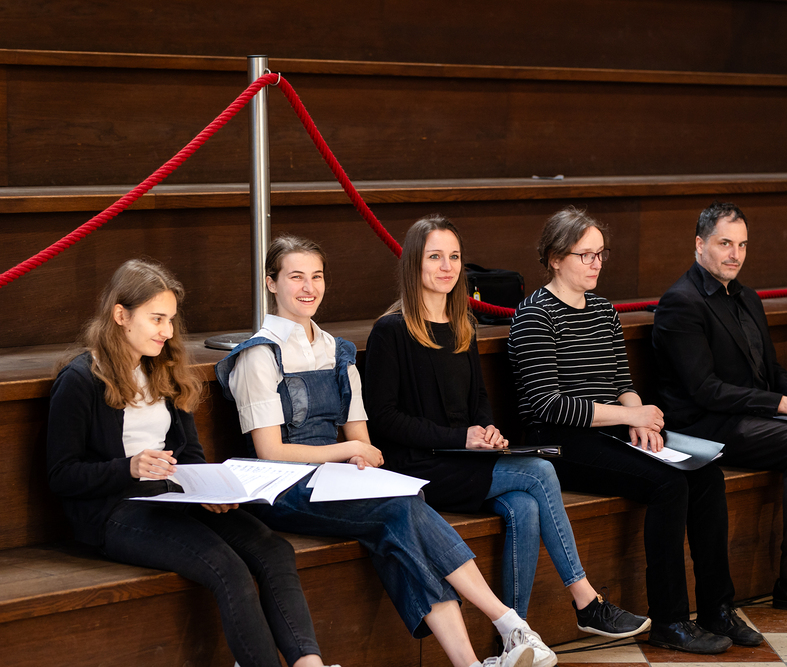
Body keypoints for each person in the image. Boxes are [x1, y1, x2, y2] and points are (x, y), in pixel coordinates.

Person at [214, 235, 548, 667]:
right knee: (399, 511)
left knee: (401, 515)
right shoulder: (258, 356)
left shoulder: (336, 351)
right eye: (296, 277)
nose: (309, 288)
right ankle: (506, 622)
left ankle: (473, 660)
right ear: (271, 283)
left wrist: (358, 453)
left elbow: (363, 442)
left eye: (317, 276)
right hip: (282, 487)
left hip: (332, 478)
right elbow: (271, 452)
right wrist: (349, 449)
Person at [364, 214, 651, 641]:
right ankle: (585, 600)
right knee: (540, 470)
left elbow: (479, 400)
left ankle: (515, 635)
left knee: (525, 506)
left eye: (454, 257)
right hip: (418, 466)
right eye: (435, 257)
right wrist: (461, 437)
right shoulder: (390, 330)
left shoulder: (462, 324)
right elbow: (385, 420)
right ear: (413, 264)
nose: (447, 266)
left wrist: (488, 430)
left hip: (462, 458)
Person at [46, 259, 337, 667]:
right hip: (117, 510)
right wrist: (128, 468)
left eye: (170, 320)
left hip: (174, 497)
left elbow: (190, 455)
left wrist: (209, 490)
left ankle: (309, 663)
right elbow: (61, 475)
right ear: (120, 315)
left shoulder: (162, 367)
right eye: (157, 319)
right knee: (227, 568)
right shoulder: (80, 380)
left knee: (274, 550)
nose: (167, 331)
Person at [508, 206, 758, 655]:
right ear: (555, 258)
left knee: (706, 475)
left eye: (600, 254)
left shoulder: (603, 310)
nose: (596, 264)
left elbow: (622, 383)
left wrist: (641, 418)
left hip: (611, 431)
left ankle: (717, 607)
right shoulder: (534, 315)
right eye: (585, 255)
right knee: (668, 485)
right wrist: (629, 418)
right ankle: (670, 620)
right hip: (558, 444)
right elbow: (549, 405)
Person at [652, 201, 787, 615]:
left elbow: (771, 370)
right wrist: (785, 404)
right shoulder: (680, 302)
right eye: (725, 243)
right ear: (699, 244)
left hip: (755, 415)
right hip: (706, 425)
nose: (735, 254)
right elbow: (705, 390)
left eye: (742, 245)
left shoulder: (748, 297)